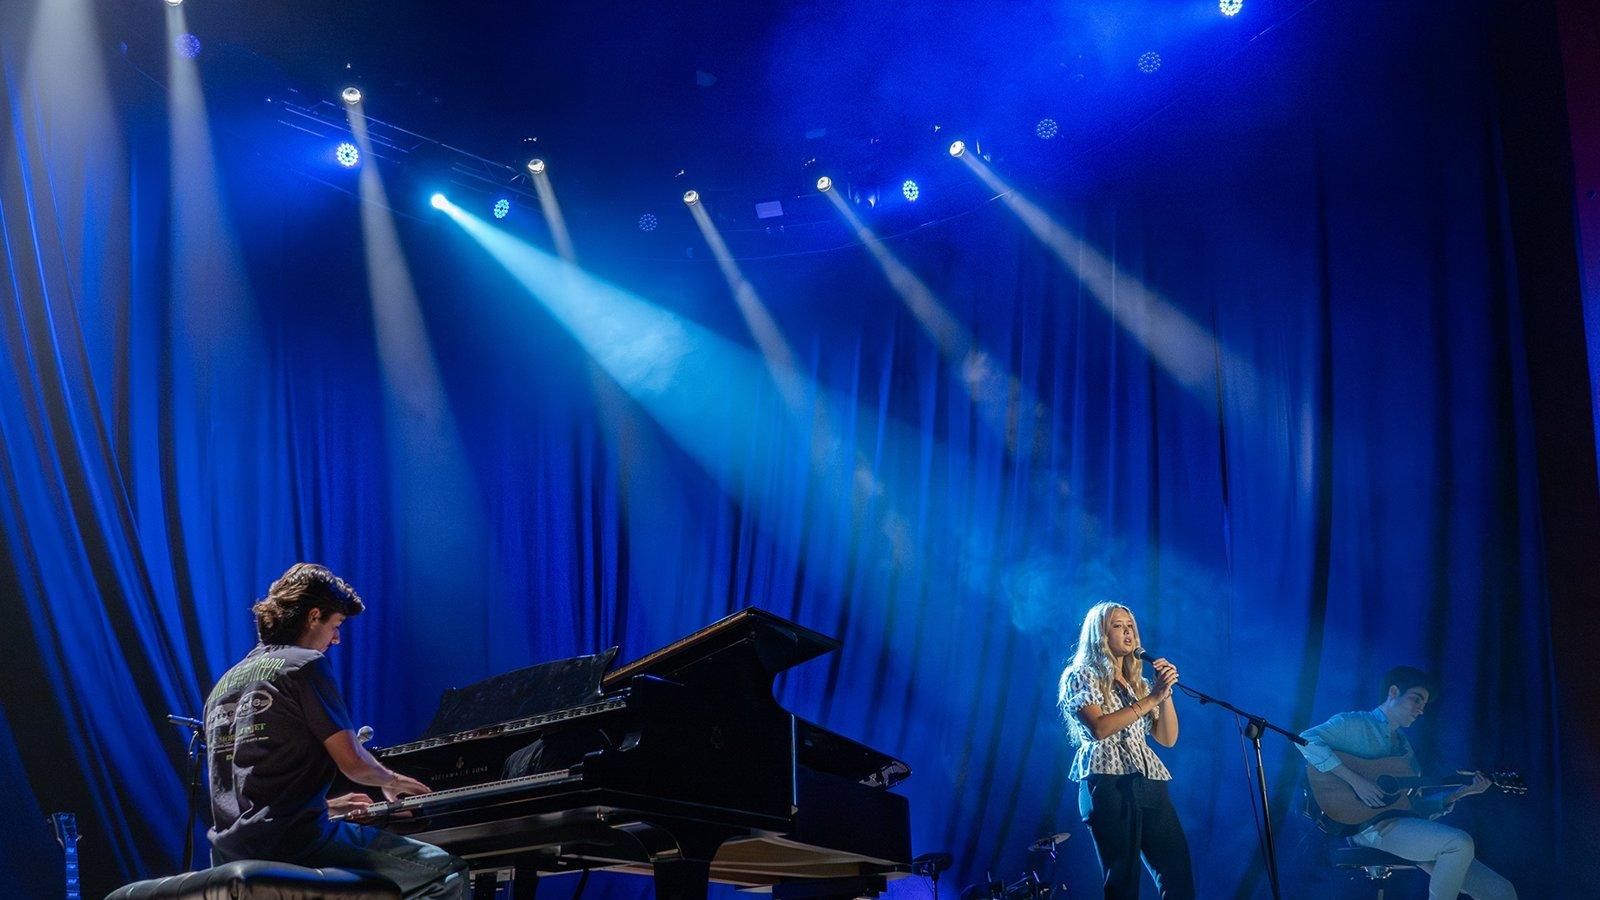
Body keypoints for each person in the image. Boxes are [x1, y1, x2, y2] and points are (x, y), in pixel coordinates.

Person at [204, 563, 468, 899]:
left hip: (229, 851)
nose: (337, 639)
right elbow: (353, 763)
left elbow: (253, 782)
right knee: (445, 873)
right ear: (314, 616)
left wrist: (328, 807)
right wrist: (392, 781)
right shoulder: (304, 664)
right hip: (294, 844)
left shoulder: (223, 685)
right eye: (336, 625)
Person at [1298, 666, 1515, 900]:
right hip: (1366, 827)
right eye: (1416, 699)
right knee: (1458, 843)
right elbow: (1305, 740)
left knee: (1501, 892)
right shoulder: (1355, 723)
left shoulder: (1405, 751)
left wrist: (1460, 793)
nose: (1421, 710)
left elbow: (1412, 807)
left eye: (1424, 705)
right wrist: (1356, 780)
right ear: (1393, 692)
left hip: (1402, 827)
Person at [1057, 601, 1194, 899]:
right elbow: (1100, 728)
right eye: (1118, 626)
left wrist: (1163, 693)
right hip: (1107, 783)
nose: (1128, 633)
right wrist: (1151, 698)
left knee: (1177, 872)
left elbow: (1167, 738)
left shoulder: (1138, 683)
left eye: (1130, 626)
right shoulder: (1081, 675)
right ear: (1100, 635)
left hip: (1148, 780)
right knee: (1123, 880)